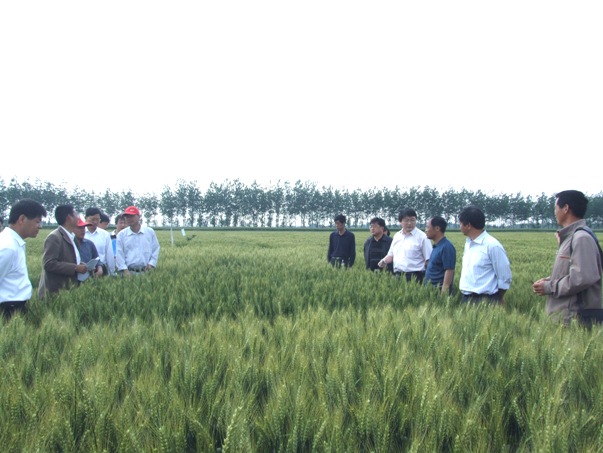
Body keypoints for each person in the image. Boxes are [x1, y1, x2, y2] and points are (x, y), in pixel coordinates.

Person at [533, 190, 602, 325]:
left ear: (566, 208)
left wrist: (549, 287)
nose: (554, 212)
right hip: (564, 319)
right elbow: (572, 272)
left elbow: (581, 278)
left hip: (573, 320)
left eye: (555, 207)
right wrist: (549, 280)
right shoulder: (571, 237)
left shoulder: (581, 238)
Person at [0, 199, 47, 319]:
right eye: (37, 222)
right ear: (22, 219)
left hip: (15, 309)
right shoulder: (8, 247)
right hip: (8, 311)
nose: (40, 226)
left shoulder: (14, 242)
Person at [458, 206, 512, 304]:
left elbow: (504, 276)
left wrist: (497, 298)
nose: (459, 227)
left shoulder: (492, 245)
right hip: (466, 298)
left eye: (461, 223)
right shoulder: (468, 243)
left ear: (468, 225)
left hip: (486, 300)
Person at [39, 204, 88, 299]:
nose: (78, 217)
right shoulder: (54, 237)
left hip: (69, 289)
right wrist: (75, 267)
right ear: (69, 217)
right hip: (56, 292)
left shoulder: (73, 237)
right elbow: (49, 263)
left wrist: (81, 265)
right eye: (76, 214)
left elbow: (70, 259)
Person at [378, 208, 432, 283]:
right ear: (400, 222)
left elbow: (428, 260)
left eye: (412, 220)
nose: (409, 223)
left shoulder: (423, 237)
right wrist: (383, 261)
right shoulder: (397, 236)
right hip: (397, 276)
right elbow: (391, 255)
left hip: (416, 277)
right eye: (406, 220)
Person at [116, 206, 160, 276]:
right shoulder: (121, 235)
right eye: (127, 217)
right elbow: (119, 254)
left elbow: (155, 249)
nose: (129, 219)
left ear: (139, 217)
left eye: (132, 216)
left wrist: (151, 264)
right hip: (128, 273)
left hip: (146, 272)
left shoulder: (149, 232)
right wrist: (124, 270)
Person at [424, 216, 456, 296]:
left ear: (437, 228)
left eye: (428, 227)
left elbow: (449, 270)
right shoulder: (437, 246)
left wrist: (443, 294)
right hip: (431, 291)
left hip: (438, 291)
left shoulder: (446, 247)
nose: (426, 230)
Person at [84, 207, 115, 276]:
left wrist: (111, 272)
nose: (95, 222)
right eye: (92, 219)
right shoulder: (80, 234)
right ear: (85, 218)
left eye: (97, 220)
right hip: (84, 271)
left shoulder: (105, 234)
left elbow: (109, 255)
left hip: (101, 271)